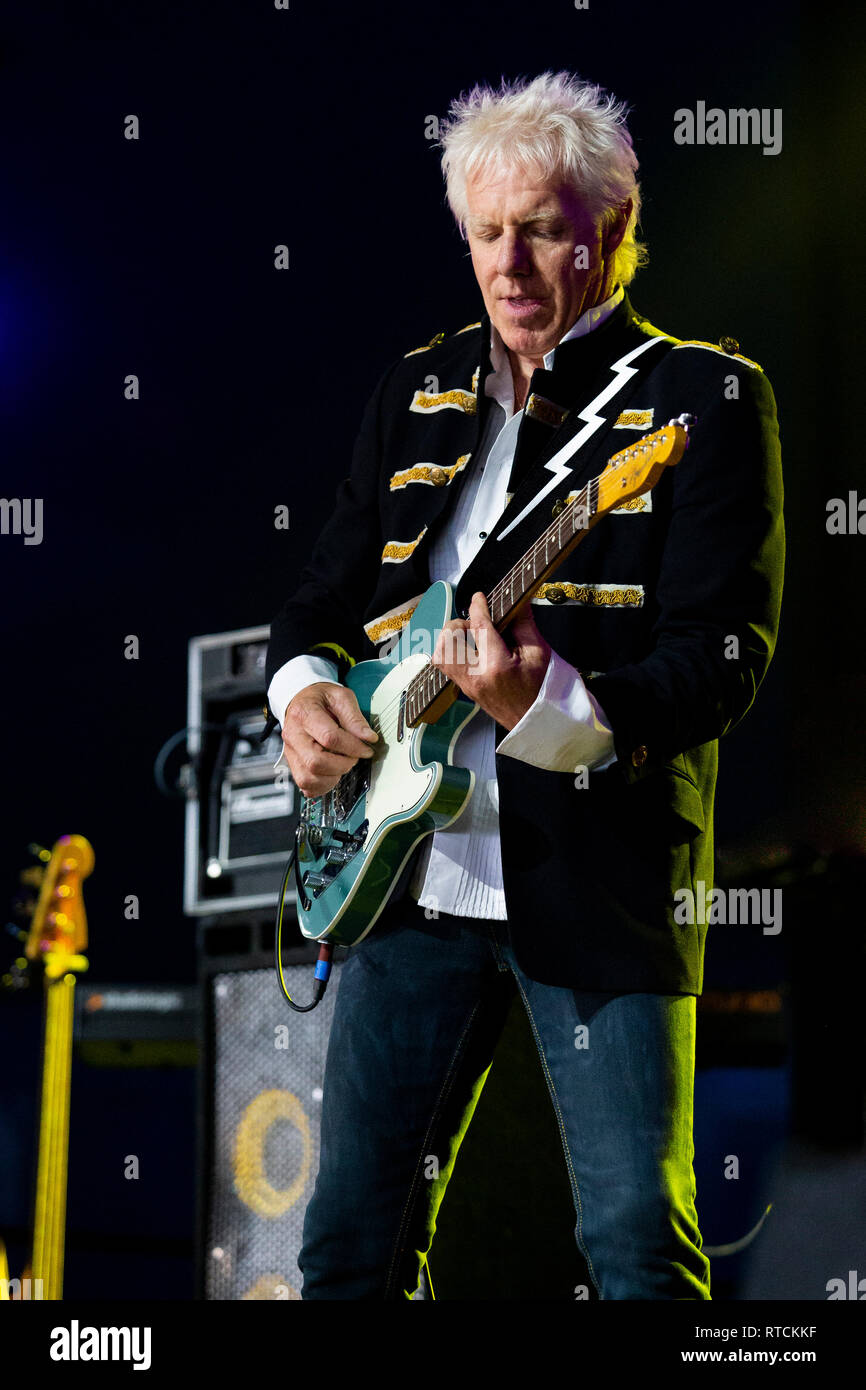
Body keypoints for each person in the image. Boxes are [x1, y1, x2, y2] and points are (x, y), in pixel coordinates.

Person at [265, 71, 784, 1300]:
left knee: (635, 1254)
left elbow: (722, 656)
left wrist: (542, 713)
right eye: (487, 233)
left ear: (607, 229)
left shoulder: (698, 398)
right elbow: (317, 605)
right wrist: (300, 697)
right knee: (347, 1251)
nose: (509, 262)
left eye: (541, 228)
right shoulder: (412, 389)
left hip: (598, 883)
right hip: (405, 882)